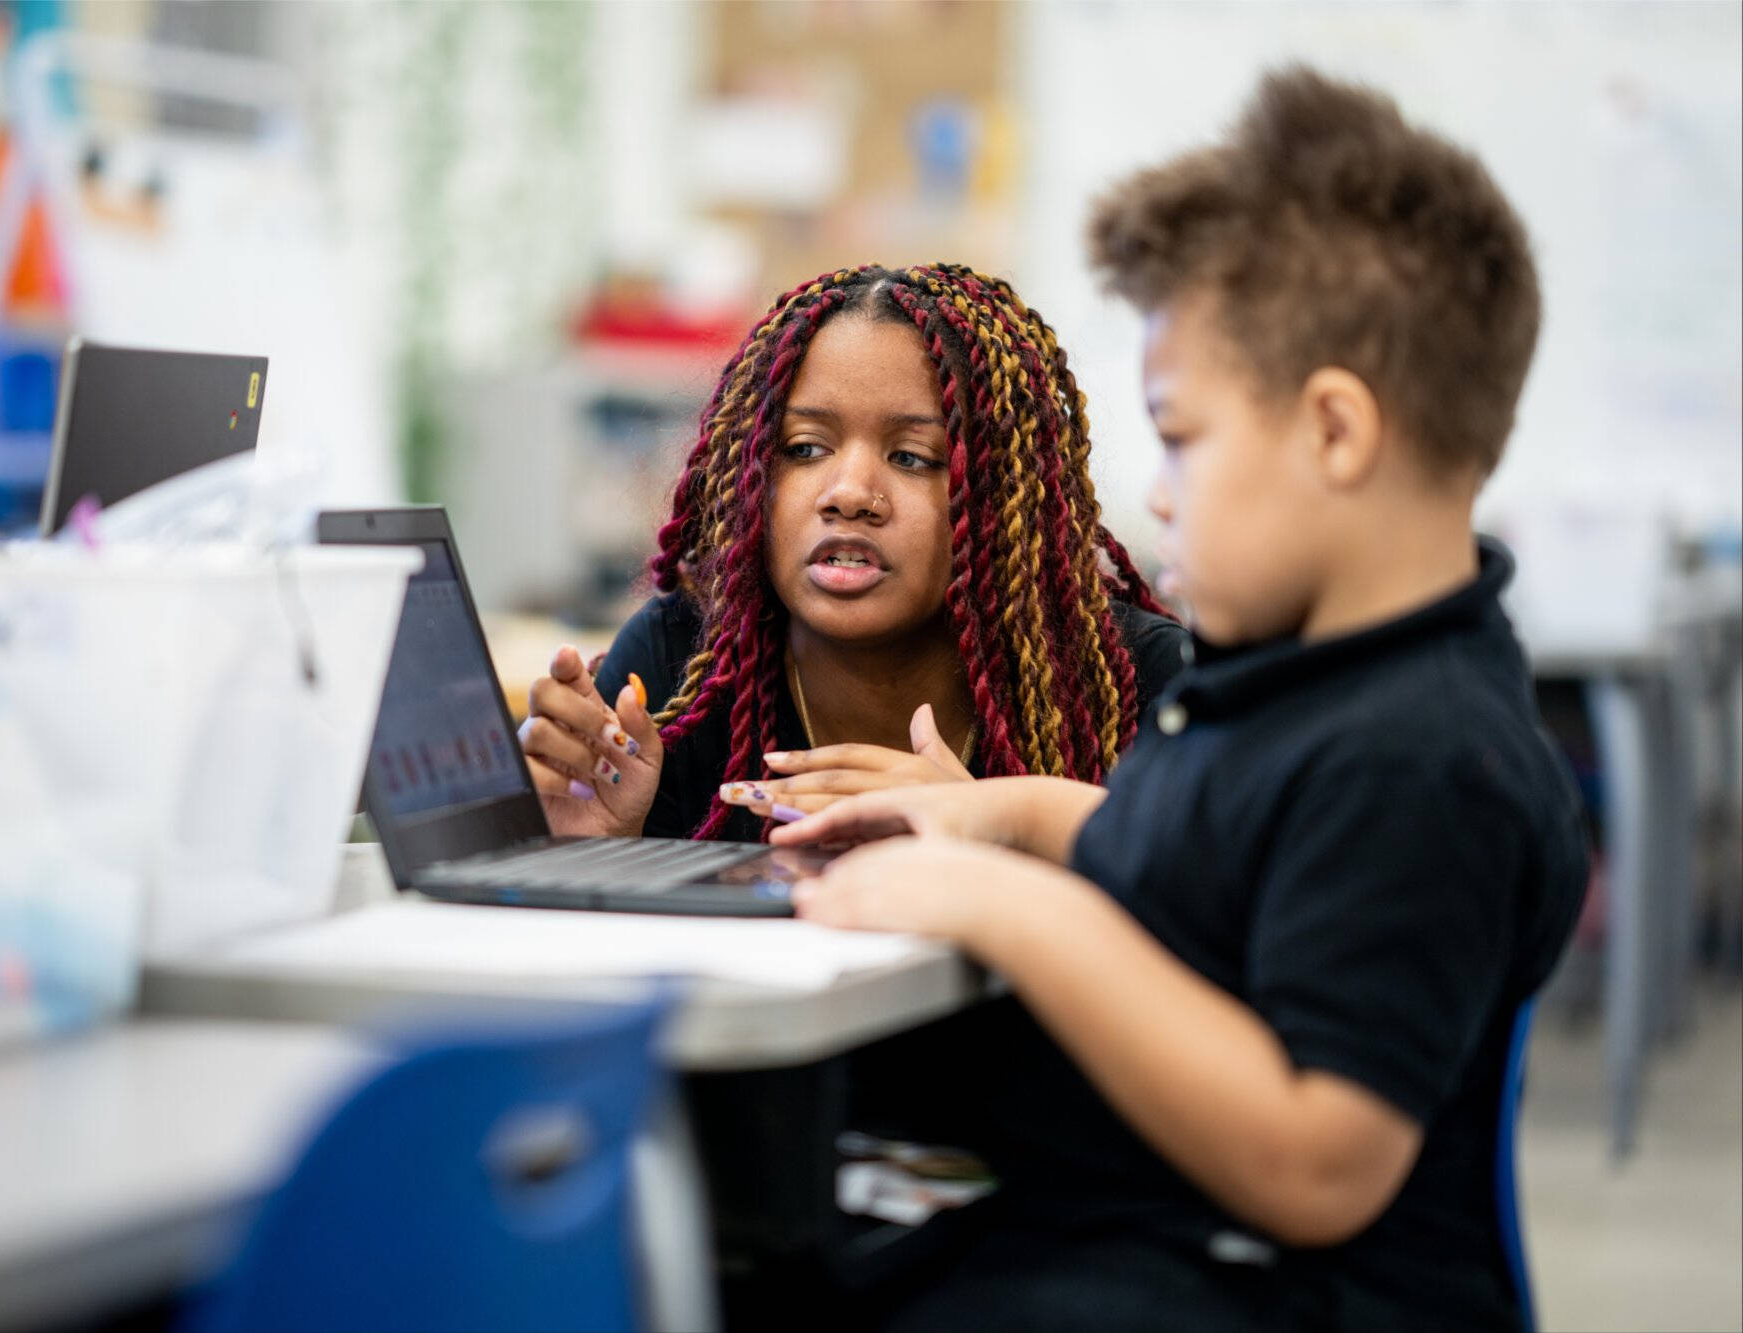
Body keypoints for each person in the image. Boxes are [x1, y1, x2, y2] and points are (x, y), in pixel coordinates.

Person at [775, 68, 1588, 1331]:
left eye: (1179, 435)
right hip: (1133, 1246)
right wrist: (1003, 814)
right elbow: (1193, 860)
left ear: (1333, 433)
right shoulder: (1302, 684)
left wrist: (1009, 906)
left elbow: (1314, 1163)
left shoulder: (1417, 755)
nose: (1156, 493)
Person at [519, 263, 1186, 841]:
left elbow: (1192, 936)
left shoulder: (1141, 686)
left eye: (912, 457)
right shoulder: (679, 661)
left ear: (1006, 492)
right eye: (805, 448)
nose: (848, 494)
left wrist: (998, 836)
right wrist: (597, 846)